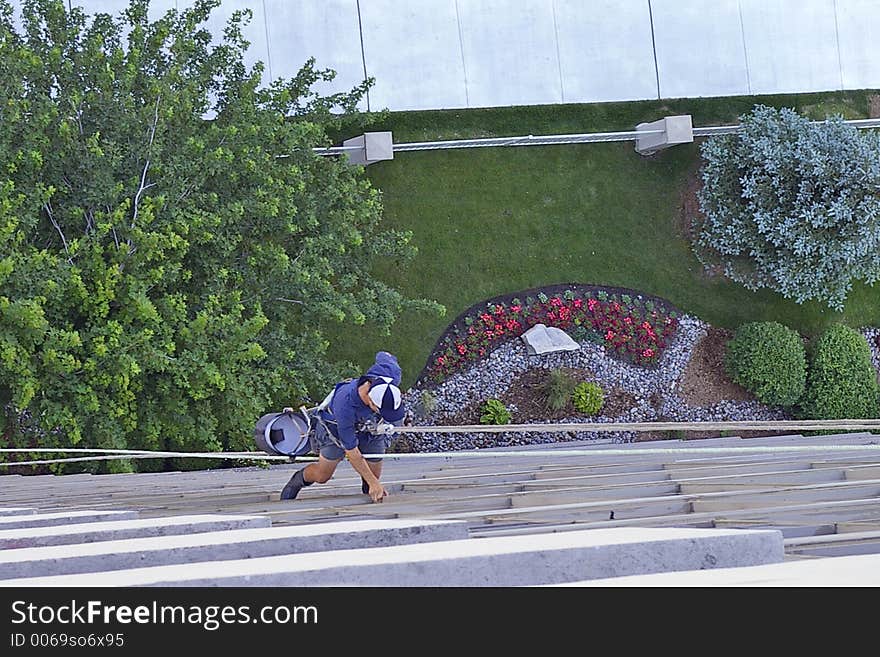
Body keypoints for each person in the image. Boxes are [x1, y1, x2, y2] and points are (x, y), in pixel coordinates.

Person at [279, 351, 406, 503]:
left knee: (373, 474)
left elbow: (383, 355)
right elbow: (351, 451)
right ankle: (296, 481)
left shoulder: (390, 373)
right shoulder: (345, 405)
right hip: (335, 430)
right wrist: (373, 482)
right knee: (322, 475)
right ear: (371, 401)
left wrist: (373, 481)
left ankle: (371, 490)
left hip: (370, 429)